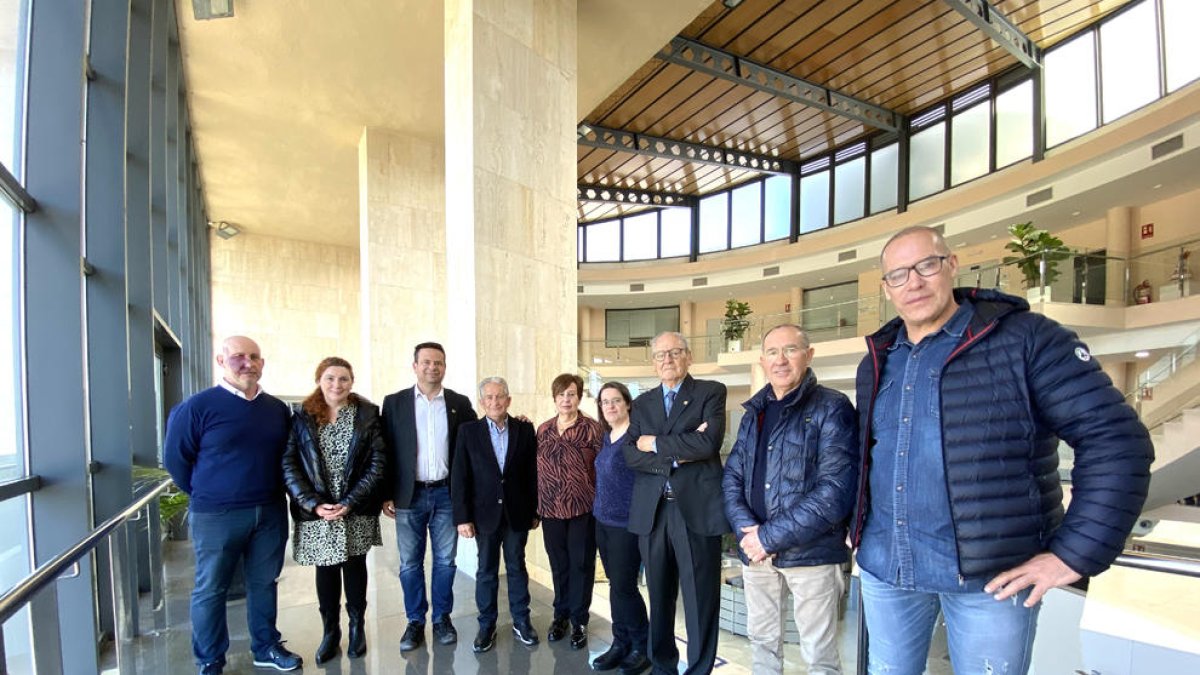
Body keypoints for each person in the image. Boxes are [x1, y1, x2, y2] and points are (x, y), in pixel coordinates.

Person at [853, 226, 1153, 674]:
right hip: (887, 569)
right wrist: (855, 522)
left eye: (926, 266)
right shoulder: (879, 359)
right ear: (886, 288)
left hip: (991, 580)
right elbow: (870, 455)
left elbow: (1116, 442)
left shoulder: (1027, 339)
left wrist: (1073, 555)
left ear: (951, 266)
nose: (913, 282)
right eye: (898, 274)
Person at [722, 324, 857, 674]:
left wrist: (767, 537)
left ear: (808, 356)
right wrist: (746, 529)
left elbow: (835, 491)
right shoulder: (755, 413)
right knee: (762, 644)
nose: (780, 360)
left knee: (819, 655)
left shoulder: (833, 407)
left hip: (812, 555)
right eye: (772, 352)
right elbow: (733, 477)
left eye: (790, 350)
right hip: (757, 554)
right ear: (762, 360)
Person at [163, 336, 302, 675]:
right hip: (217, 514)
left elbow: (287, 458)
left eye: (254, 356)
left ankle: (266, 646)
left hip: (269, 511)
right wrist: (210, 492)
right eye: (238, 356)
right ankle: (210, 659)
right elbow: (176, 462)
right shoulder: (197, 407)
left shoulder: (276, 410)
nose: (247, 363)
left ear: (262, 363)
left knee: (264, 583)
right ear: (221, 360)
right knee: (211, 588)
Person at [624, 332, 728, 675]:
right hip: (653, 512)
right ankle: (662, 667)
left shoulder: (710, 392)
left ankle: (698, 670)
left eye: (674, 352)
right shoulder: (641, 403)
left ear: (689, 356)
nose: (667, 359)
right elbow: (629, 454)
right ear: (653, 362)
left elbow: (707, 444)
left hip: (694, 511)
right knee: (659, 595)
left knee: (700, 599)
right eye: (660, 355)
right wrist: (678, 451)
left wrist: (653, 443)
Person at [282, 357, 386, 663]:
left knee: (355, 567)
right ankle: (330, 631)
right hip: (318, 510)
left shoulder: (367, 414)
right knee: (325, 571)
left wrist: (351, 500)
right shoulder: (301, 415)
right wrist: (312, 502)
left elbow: (378, 462)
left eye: (343, 379)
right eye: (330, 378)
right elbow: (289, 463)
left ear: (352, 382)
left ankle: (357, 627)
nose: (336, 385)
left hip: (355, 507)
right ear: (319, 380)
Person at [380, 342, 477, 651]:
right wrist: (386, 493)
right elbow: (385, 451)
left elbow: (478, 438)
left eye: (438, 362)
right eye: (426, 362)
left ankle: (442, 619)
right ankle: (415, 622)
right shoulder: (394, 403)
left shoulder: (459, 403)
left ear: (445, 367)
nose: (433, 367)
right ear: (415, 366)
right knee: (409, 564)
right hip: (409, 496)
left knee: (446, 562)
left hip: (447, 495)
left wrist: (518, 423)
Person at [451, 376, 541, 654]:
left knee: (516, 567)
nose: (494, 402)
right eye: (488, 397)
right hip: (484, 516)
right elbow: (460, 477)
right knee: (487, 571)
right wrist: (462, 517)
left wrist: (535, 509)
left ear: (509, 400)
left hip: (517, 515)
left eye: (500, 396)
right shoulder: (468, 432)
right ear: (481, 402)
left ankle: (521, 621)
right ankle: (486, 625)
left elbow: (532, 474)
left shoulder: (525, 430)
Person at [535, 373, 603, 649]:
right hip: (551, 510)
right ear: (554, 398)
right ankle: (560, 615)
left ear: (579, 397)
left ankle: (580, 620)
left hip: (583, 510)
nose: (566, 399)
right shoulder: (543, 430)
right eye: (562, 394)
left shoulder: (592, 429)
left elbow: (603, 469)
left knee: (581, 566)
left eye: (572, 394)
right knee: (559, 566)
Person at [591, 382, 651, 674]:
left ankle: (642, 645)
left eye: (616, 401)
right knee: (616, 587)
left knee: (625, 588)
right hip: (602, 520)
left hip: (626, 525)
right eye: (605, 402)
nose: (610, 406)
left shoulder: (636, 437)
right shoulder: (606, 437)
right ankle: (620, 642)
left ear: (628, 404)